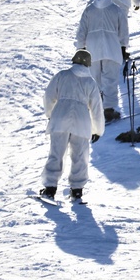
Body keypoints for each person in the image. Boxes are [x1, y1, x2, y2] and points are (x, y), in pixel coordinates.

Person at [40, 50, 105, 201]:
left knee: (56, 152)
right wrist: (97, 130)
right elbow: (96, 108)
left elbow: (48, 96)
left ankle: (50, 188)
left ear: (74, 61)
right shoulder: (91, 83)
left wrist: (50, 114)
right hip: (82, 121)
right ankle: (77, 190)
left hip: (60, 117)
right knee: (80, 155)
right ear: (88, 64)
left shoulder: (62, 75)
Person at [76, 0, 129, 122]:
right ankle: (109, 110)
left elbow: (81, 31)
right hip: (112, 49)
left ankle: (96, 111)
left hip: (92, 51)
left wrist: (80, 48)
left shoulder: (89, 10)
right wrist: (123, 47)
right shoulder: (116, 10)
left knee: (95, 81)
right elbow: (123, 31)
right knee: (110, 81)